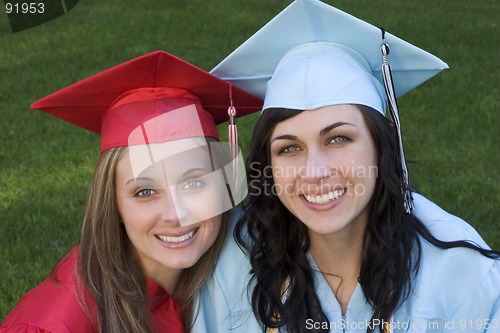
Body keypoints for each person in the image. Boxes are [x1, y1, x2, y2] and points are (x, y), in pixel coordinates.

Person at [193, 1, 500, 332]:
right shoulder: (232, 265)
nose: (314, 171)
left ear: (383, 144)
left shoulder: (461, 277)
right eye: (290, 148)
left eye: (338, 139)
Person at [0, 50, 262, 333]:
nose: (176, 214)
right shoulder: (59, 322)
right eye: (145, 192)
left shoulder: (237, 260)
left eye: (194, 183)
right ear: (113, 205)